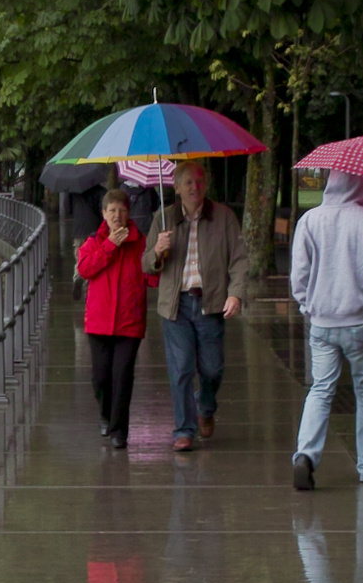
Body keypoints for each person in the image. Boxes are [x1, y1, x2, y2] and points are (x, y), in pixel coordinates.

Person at [289, 170, 363, 490]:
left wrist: (308, 305)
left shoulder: (310, 220)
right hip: (360, 321)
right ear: (359, 184)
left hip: (322, 322)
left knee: (321, 389)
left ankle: (305, 455)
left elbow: (299, 274)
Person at [143, 159, 248, 452]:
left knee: (213, 368)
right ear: (176, 187)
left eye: (199, 181)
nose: (195, 187)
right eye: (188, 182)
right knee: (182, 368)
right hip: (175, 306)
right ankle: (183, 430)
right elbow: (147, 265)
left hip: (210, 303)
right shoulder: (162, 220)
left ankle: (206, 406)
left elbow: (239, 259)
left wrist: (236, 294)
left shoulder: (224, 217)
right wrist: (157, 251)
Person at [78, 189, 149, 448]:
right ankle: (106, 415)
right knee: (101, 377)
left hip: (129, 321)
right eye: (112, 211)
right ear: (104, 214)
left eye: (122, 211)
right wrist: (110, 246)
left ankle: (120, 431)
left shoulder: (140, 242)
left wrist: (160, 256)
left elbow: (151, 278)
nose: (117, 216)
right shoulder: (94, 241)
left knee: (122, 375)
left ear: (128, 214)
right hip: (99, 321)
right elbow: (85, 269)